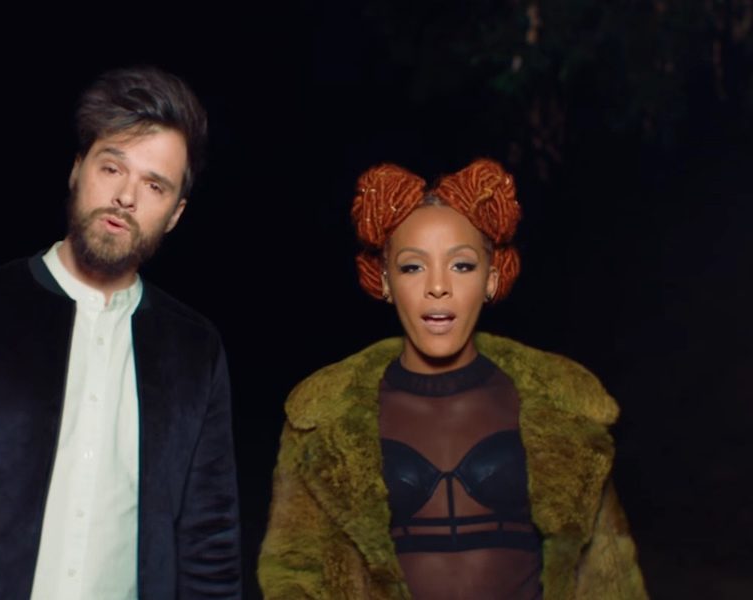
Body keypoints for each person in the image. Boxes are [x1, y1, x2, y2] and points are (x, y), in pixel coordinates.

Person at [0, 66, 241, 599]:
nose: (126, 196)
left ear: (175, 214)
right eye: (112, 167)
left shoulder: (195, 351)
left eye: (153, 185)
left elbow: (210, 540)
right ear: (77, 170)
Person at [257, 159, 645, 599]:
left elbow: (608, 576)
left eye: (461, 265)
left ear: (491, 278)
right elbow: (294, 572)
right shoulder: (323, 416)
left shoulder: (564, 406)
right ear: (384, 281)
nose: (438, 286)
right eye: (412, 267)